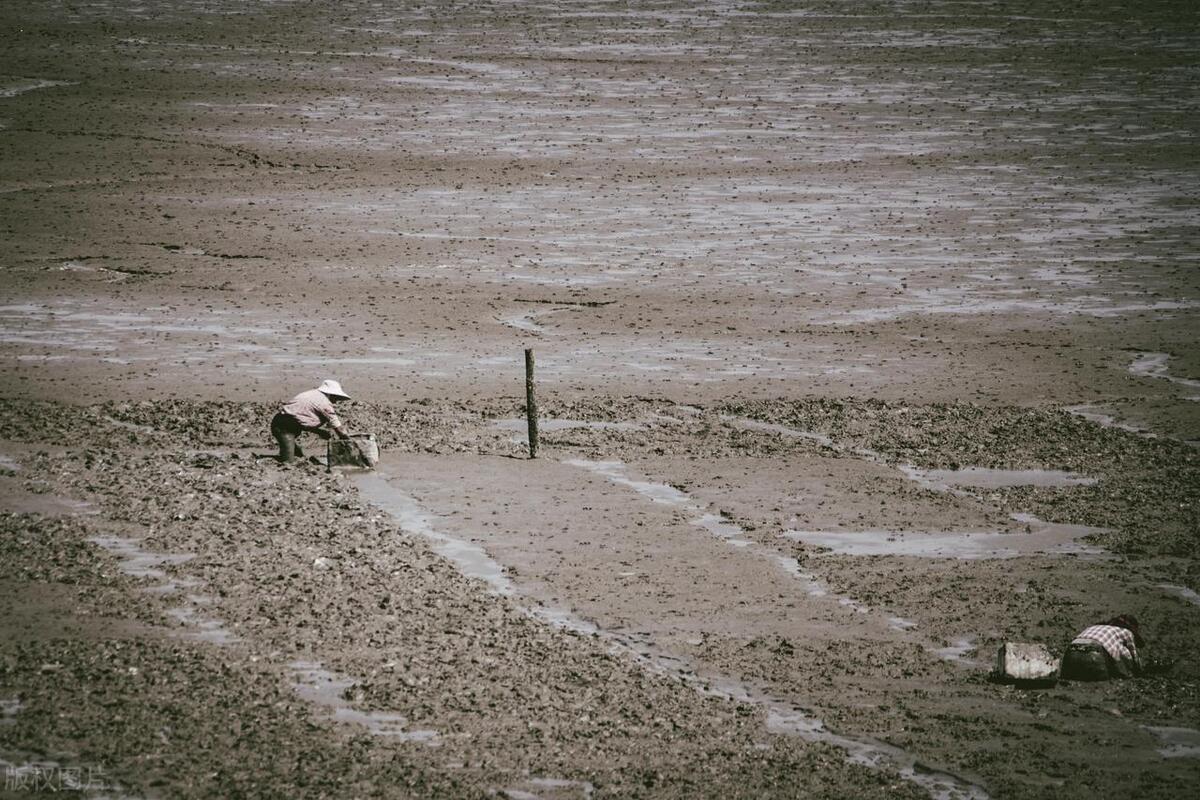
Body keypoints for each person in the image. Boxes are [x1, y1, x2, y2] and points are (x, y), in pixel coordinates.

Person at [271, 379, 354, 464]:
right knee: (288, 462)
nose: (336, 401)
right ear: (330, 394)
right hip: (284, 427)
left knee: (298, 456)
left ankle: (284, 453)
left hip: (286, 423)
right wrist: (350, 443)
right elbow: (338, 428)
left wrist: (319, 432)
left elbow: (302, 419)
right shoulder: (324, 403)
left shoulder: (313, 394)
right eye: (336, 397)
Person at [1061, 615, 1144, 681]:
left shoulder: (1093, 627)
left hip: (1070, 656)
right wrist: (1136, 671)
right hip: (1093, 655)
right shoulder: (1126, 632)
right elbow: (1132, 657)